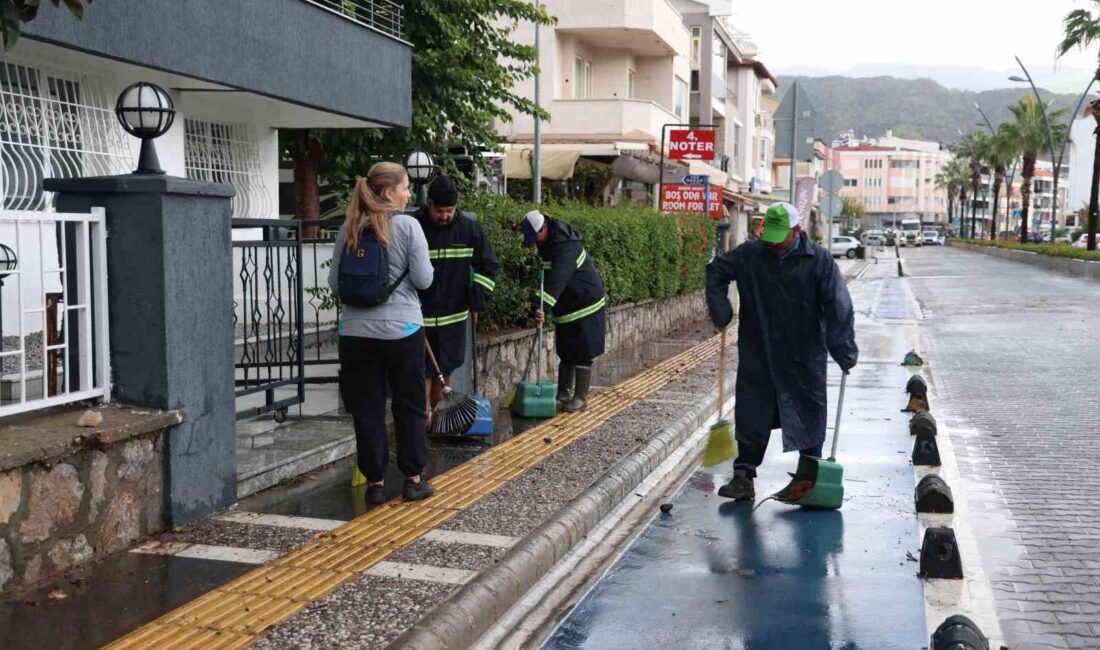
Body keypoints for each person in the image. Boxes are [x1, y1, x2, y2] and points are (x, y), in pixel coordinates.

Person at [705, 202, 858, 500]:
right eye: (769, 237)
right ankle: (743, 477)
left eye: (780, 238)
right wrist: (720, 309)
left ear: (797, 231)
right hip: (758, 349)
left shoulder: (819, 261)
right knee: (752, 412)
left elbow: (838, 306)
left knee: (809, 412)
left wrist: (843, 350)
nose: (773, 244)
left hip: (803, 352)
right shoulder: (751, 254)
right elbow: (716, 270)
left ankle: (810, 478)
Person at [328, 162, 436, 506]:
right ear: (389, 192)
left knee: (367, 409)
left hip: (355, 333)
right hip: (403, 330)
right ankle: (413, 480)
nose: (408, 194)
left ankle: (374, 484)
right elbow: (424, 280)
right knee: (408, 405)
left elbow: (335, 284)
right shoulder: (408, 226)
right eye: (405, 187)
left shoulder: (349, 226)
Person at [412, 175, 500, 417]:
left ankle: (439, 420)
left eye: (450, 211)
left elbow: (489, 266)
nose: (445, 216)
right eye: (440, 211)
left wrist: (477, 298)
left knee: (445, 371)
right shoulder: (414, 226)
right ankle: (422, 420)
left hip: (453, 319)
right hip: (420, 317)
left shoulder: (468, 229)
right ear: (429, 204)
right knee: (421, 372)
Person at [521, 209, 606, 412]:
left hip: (586, 303)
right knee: (566, 350)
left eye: (535, 237)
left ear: (544, 228)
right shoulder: (547, 243)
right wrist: (540, 305)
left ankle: (580, 398)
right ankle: (563, 393)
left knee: (583, 351)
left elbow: (555, 281)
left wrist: (539, 305)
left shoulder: (566, 247)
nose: (534, 243)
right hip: (567, 303)